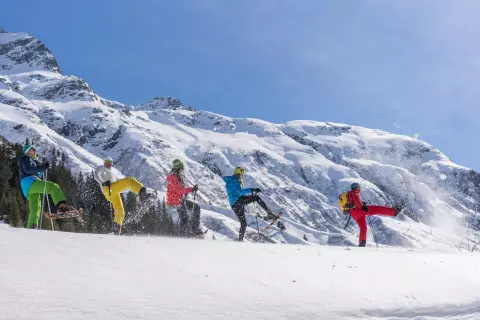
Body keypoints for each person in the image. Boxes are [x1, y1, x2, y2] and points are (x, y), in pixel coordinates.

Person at [18, 144, 76, 229]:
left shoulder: (32, 161)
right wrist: (42, 168)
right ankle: (62, 208)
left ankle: (31, 227)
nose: (34, 151)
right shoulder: (26, 158)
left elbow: (34, 171)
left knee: (36, 207)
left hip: (28, 188)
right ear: (28, 151)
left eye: (34, 149)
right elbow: (29, 169)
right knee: (53, 187)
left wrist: (42, 169)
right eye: (32, 149)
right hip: (30, 182)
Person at [94, 156, 150, 235]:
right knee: (129, 180)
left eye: (110, 162)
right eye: (107, 162)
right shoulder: (101, 168)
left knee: (120, 211)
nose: (109, 164)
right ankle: (143, 195)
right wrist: (103, 182)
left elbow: (121, 187)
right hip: (108, 189)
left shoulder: (112, 173)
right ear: (104, 162)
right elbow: (96, 175)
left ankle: (116, 230)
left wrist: (130, 188)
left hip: (113, 192)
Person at [224, 167, 278, 242]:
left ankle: (240, 240)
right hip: (238, 201)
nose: (242, 176)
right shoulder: (235, 180)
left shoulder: (230, 180)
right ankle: (269, 213)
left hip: (234, 204)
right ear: (239, 174)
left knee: (243, 223)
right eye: (242, 174)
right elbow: (240, 192)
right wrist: (252, 190)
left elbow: (236, 193)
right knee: (256, 198)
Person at [348, 182, 402, 247]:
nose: (359, 188)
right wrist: (362, 206)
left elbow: (354, 202)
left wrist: (361, 204)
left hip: (354, 214)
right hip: (359, 210)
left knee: (363, 228)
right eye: (359, 187)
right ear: (356, 187)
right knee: (378, 209)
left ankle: (362, 243)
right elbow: (356, 200)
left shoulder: (349, 194)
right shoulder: (354, 192)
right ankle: (394, 212)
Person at [166, 159, 202, 237]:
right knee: (185, 218)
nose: (182, 171)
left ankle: (195, 230)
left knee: (196, 208)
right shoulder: (172, 178)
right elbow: (179, 190)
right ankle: (183, 236)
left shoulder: (179, 178)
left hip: (179, 200)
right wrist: (191, 189)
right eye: (181, 169)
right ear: (177, 169)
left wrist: (190, 190)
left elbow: (181, 190)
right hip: (175, 202)